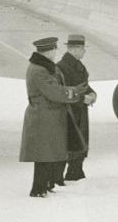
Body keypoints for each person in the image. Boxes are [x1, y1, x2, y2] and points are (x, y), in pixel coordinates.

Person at [19, 37, 92, 197]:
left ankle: (47, 184)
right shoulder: (38, 70)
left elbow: (58, 88)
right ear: (49, 51)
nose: (55, 52)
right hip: (43, 117)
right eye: (54, 50)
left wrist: (75, 90)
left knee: (49, 153)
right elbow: (54, 92)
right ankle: (38, 189)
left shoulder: (46, 68)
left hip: (49, 117)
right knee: (43, 155)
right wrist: (76, 95)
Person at [56, 34, 97, 182]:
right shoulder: (61, 67)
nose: (84, 51)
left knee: (80, 142)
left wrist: (92, 93)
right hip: (70, 112)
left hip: (80, 111)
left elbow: (83, 85)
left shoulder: (77, 65)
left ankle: (76, 172)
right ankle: (65, 175)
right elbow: (63, 91)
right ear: (75, 49)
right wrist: (82, 99)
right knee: (71, 143)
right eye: (82, 48)